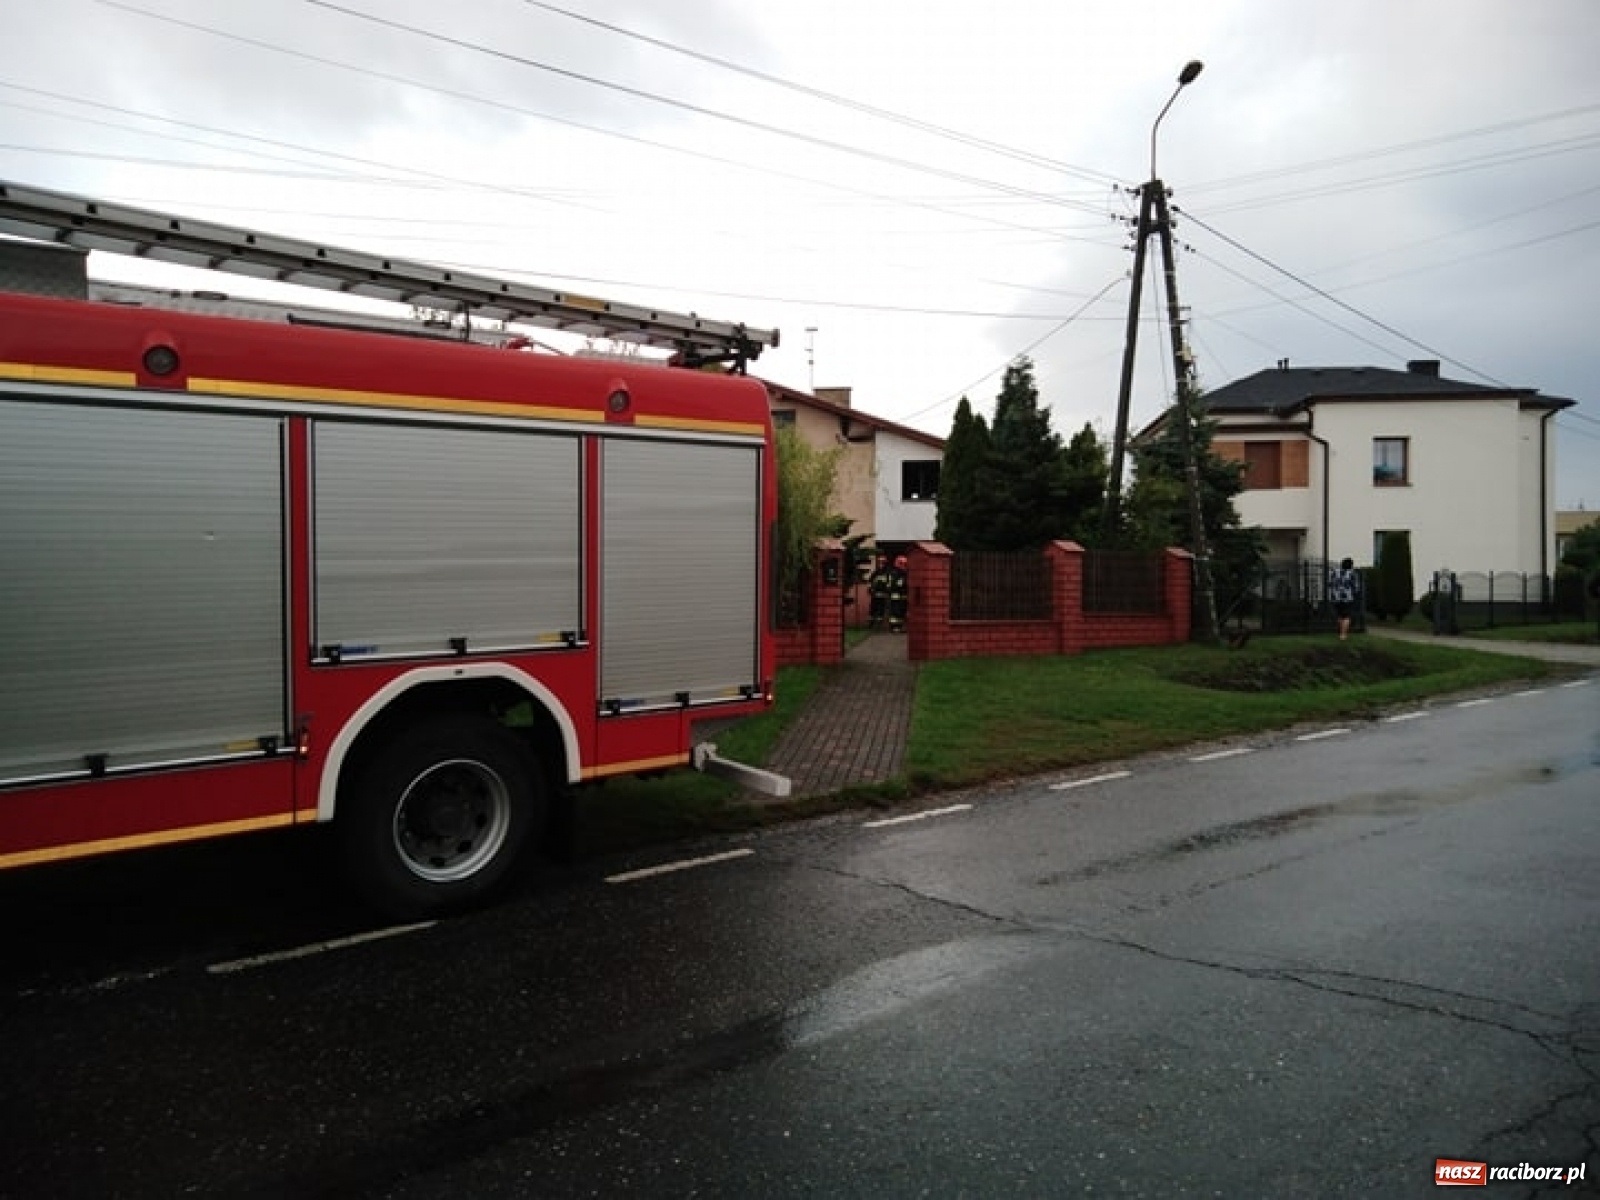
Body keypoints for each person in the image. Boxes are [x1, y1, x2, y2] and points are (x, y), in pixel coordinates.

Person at [1328, 556, 1358, 641]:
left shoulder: (1334, 572)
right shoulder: (1352, 574)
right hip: (1347, 598)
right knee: (1346, 616)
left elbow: (1330, 584)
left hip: (1336, 597)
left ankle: (1340, 632)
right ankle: (1343, 635)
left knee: (1340, 616)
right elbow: (1355, 587)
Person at [867, 555, 891, 629]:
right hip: (875, 595)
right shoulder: (875, 573)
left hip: (883, 595)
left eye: (883, 562)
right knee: (872, 609)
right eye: (880, 562)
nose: (881, 564)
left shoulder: (887, 573)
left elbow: (889, 583)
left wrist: (887, 591)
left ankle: (878, 625)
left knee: (881, 610)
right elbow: (870, 582)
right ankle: (871, 624)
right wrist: (870, 589)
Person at [888, 555, 909, 632]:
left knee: (901, 613)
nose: (904, 566)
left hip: (903, 596)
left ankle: (899, 627)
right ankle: (894, 627)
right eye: (902, 564)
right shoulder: (895, 573)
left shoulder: (904, 573)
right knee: (895, 613)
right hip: (896, 596)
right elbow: (896, 585)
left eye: (905, 564)